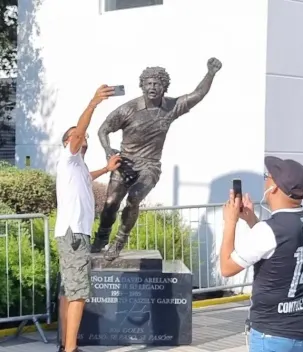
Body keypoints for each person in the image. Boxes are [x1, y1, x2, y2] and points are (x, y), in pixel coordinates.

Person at [91, 58, 223, 261]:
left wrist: (210, 73)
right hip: (125, 163)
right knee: (110, 202)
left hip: (150, 166)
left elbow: (198, 95)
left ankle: (119, 241)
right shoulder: (129, 109)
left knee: (134, 198)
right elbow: (103, 129)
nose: (152, 87)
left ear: (164, 87)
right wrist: (108, 151)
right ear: (142, 85)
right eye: (149, 83)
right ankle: (101, 237)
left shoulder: (171, 107)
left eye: (157, 84)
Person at [220, 156, 303, 352]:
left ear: (274, 187)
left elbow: (226, 268)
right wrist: (252, 221)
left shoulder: (269, 230)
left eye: (268, 176)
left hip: (272, 334)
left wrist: (230, 222)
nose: (265, 180)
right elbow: (279, 247)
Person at [55, 85, 122, 352]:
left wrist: (106, 169)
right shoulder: (68, 158)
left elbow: (86, 178)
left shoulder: (78, 166)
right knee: (79, 293)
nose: (79, 138)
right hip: (73, 235)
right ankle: (70, 349)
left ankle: (64, 344)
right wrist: (93, 103)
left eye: (80, 136)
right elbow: (80, 131)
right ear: (68, 143)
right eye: (73, 136)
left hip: (73, 234)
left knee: (70, 291)